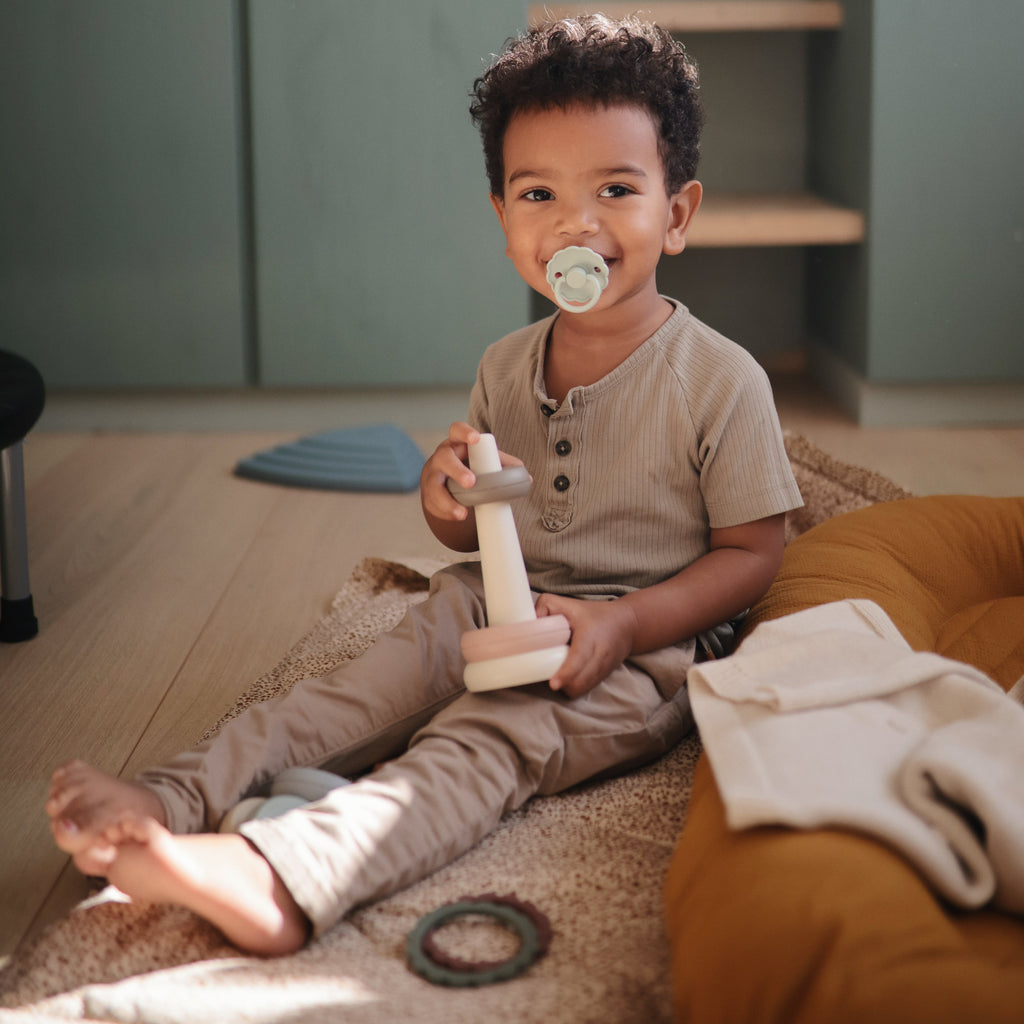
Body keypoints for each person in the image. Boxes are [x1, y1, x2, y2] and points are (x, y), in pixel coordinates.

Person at [46, 14, 803, 957]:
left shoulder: (721, 378)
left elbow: (755, 553)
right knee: (350, 695)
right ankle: (171, 798)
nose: (577, 223)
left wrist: (630, 624)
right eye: (540, 193)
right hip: (494, 600)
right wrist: (444, 500)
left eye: (616, 189)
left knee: (486, 739)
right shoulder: (504, 364)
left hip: (639, 645)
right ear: (504, 219)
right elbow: (469, 532)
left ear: (677, 214)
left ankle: (285, 878)